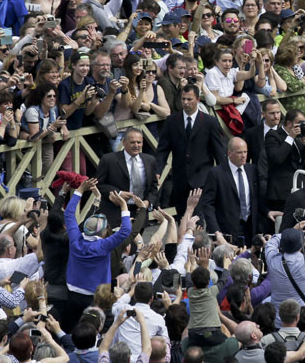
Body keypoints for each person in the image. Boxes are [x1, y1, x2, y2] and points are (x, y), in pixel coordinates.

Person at [63, 178, 132, 331]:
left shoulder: (75, 239)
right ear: (102, 232)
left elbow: (69, 214)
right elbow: (125, 230)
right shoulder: (103, 245)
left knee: (74, 328)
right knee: (94, 329)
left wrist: (80, 191)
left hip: (72, 291)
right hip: (95, 296)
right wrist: (123, 205)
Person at [155, 85, 226, 217]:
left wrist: (224, 175)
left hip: (201, 178)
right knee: (182, 218)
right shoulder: (172, 121)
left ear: (198, 99)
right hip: (180, 178)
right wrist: (158, 170)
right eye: (183, 99)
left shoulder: (209, 122)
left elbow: (219, 151)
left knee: (197, 219)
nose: (186, 103)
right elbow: (163, 149)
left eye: (189, 99)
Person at [200, 137, 262, 244]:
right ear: (229, 153)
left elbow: (257, 198)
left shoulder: (252, 170)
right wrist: (216, 231)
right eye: (239, 153)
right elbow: (207, 204)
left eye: (245, 152)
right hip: (227, 232)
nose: (243, 156)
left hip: (250, 228)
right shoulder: (216, 173)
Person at [96, 128, 159, 227]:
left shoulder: (150, 160)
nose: (136, 145)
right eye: (132, 142)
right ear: (124, 142)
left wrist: (147, 202)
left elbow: (154, 186)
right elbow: (99, 184)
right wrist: (119, 193)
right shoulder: (109, 160)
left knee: (138, 242)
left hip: (139, 213)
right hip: (115, 212)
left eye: (139, 142)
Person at [263, 109, 305, 212]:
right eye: (299, 123)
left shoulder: (299, 139)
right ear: (289, 123)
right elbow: (277, 158)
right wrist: (290, 137)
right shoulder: (273, 135)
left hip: (300, 189)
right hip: (281, 193)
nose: (301, 126)